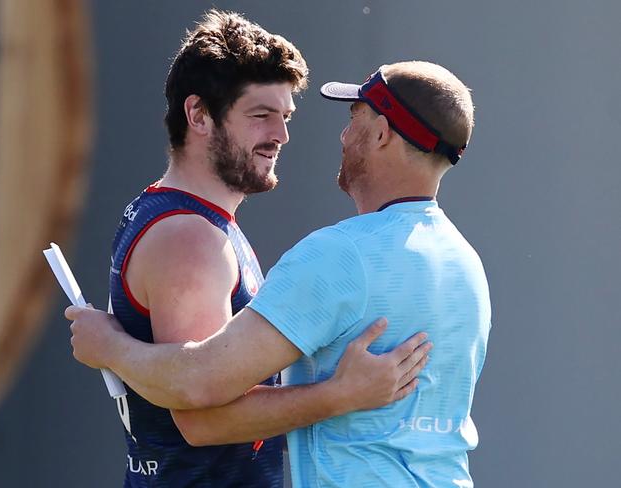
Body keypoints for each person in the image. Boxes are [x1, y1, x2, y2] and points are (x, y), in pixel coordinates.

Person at [67, 59, 489, 487]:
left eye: (354, 118)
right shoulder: (466, 264)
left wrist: (109, 346)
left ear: (381, 134)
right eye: (262, 116)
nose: (343, 136)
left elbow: (199, 392)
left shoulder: (338, 254)